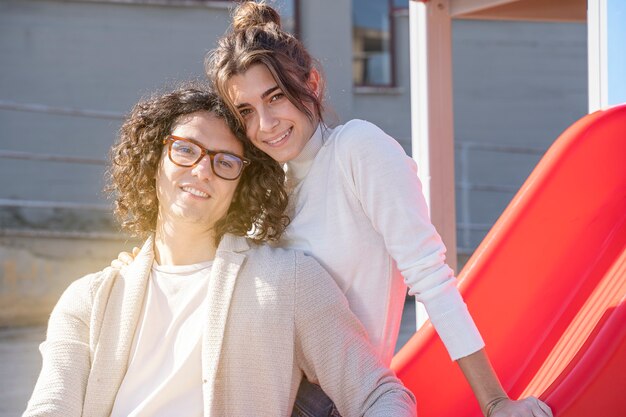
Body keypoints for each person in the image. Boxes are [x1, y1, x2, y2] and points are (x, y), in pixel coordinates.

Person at [201, 3, 554, 417]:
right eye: (246, 111)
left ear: (312, 83)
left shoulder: (357, 149)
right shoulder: (271, 184)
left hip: (324, 398)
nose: (264, 124)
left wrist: (495, 402)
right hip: (252, 388)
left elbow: (429, 275)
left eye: (275, 97)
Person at [23, 85, 417, 417]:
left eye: (225, 162)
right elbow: (50, 407)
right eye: (185, 149)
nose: (202, 171)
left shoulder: (289, 281)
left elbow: (380, 395)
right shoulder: (89, 301)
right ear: (154, 161)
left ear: (241, 185)